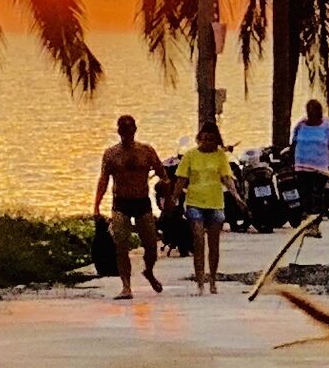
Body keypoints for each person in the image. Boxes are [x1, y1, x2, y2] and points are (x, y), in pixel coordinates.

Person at [93, 113, 171, 297]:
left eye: (130, 128)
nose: (127, 132)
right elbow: (103, 181)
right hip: (121, 203)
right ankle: (126, 286)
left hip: (142, 202)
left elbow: (163, 175)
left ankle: (149, 271)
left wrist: (168, 200)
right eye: (123, 129)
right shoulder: (111, 154)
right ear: (119, 131)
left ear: (135, 129)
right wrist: (96, 206)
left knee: (151, 245)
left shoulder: (146, 151)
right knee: (121, 245)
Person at [177, 122, 231, 285]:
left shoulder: (220, 156)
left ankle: (212, 278)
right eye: (204, 139)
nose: (207, 143)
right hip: (195, 202)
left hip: (215, 203)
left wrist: (237, 196)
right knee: (199, 240)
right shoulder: (190, 156)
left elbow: (227, 177)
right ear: (199, 139)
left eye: (211, 140)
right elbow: (181, 179)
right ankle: (200, 277)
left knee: (213, 243)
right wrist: (173, 198)